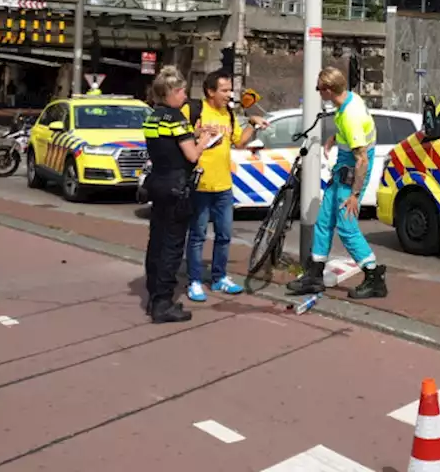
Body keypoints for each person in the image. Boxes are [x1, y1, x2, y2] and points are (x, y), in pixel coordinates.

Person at [287, 67, 388, 299]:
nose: (317, 92)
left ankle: (374, 277)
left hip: (353, 169)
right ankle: (314, 275)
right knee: (324, 220)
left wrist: (355, 194)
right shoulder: (348, 100)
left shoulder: (351, 115)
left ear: (329, 90)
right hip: (346, 165)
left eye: (319, 89)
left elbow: (361, 159)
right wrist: (334, 138)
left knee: (346, 226)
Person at [181, 70, 270, 302]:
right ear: (210, 91)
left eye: (230, 90)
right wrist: (196, 132)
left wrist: (253, 124)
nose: (229, 95)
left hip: (223, 186)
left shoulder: (228, 115)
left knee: (224, 235)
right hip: (200, 185)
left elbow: (239, 142)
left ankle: (219, 277)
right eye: (224, 90)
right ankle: (195, 280)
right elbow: (178, 137)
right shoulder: (193, 110)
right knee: (198, 235)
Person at [141, 66, 216, 324]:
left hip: (158, 182)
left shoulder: (152, 118)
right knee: (173, 246)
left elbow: (167, 142)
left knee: (157, 241)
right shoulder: (176, 118)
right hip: (177, 186)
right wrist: (204, 140)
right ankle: (164, 303)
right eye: (182, 90)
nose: (184, 95)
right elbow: (191, 155)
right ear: (171, 92)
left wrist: (191, 136)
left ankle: (153, 296)